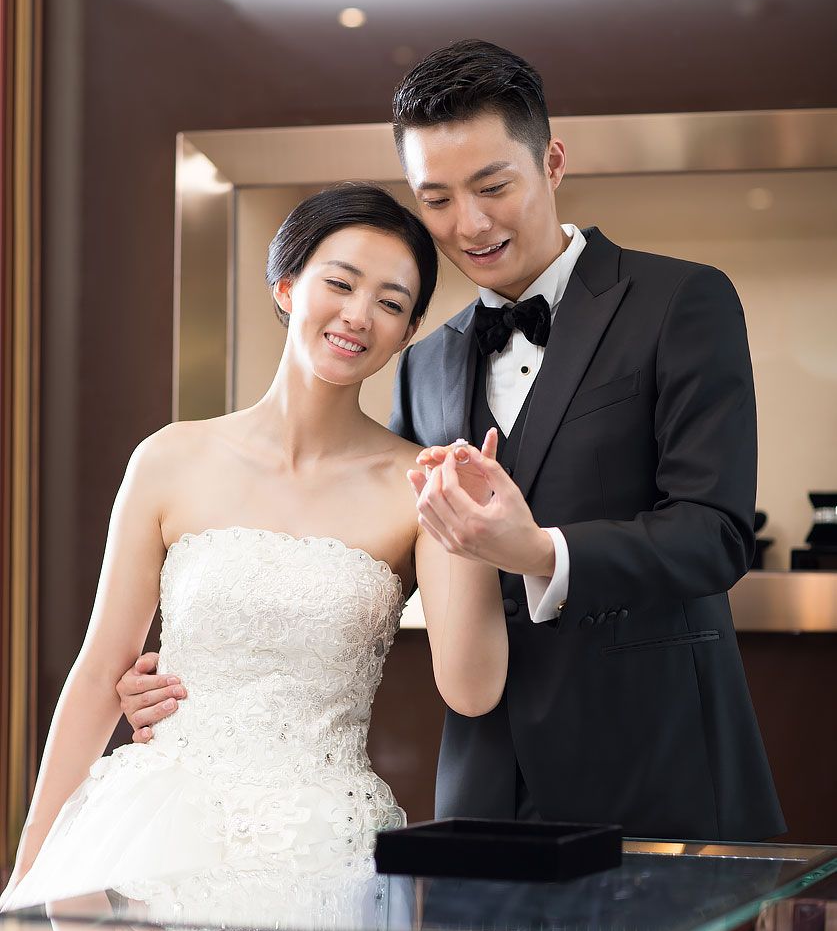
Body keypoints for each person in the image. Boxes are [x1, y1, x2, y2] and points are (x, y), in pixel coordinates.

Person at [118, 41, 785, 843]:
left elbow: (714, 533)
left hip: (658, 767)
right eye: (435, 198)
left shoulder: (681, 301)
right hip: (485, 786)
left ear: (553, 161)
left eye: (493, 186)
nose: (468, 224)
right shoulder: (420, 361)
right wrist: (198, 678)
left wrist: (538, 549)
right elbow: (355, 554)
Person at [1, 182, 507, 912]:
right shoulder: (169, 457)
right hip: (155, 843)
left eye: (392, 303)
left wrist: (474, 526)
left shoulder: (417, 483)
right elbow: (96, 675)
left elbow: (472, 687)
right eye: (340, 283)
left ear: (407, 331)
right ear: (287, 283)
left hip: (319, 854)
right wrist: (30, 872)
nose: (359, 315)